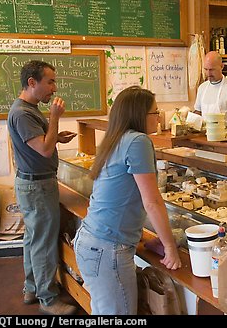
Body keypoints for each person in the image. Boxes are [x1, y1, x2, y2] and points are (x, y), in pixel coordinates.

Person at [73, 86, 182, 315]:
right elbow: (151, 201)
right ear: (140, 115)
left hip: (92, 241)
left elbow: (122, 195)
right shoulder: (138, 141)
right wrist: (170, 247)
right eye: (155, 111)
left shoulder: (117, 138)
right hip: (107, 249)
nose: (158, 116)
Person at [7, 60, 78, 315]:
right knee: (44, 243)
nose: (54, 88)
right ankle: (48, 300)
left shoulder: (27, 109)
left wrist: (55, 134)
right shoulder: (23, 113)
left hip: (33, 184)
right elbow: (45, 151)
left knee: (33, 239)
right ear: (32, 82)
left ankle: (31, 288)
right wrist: (55, 118)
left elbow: (39, 143)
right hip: (37, 186)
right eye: (50, 82)